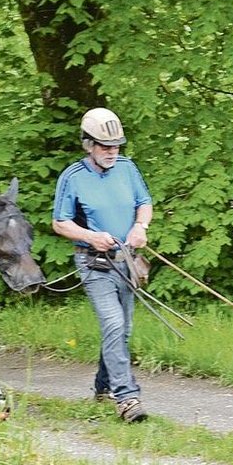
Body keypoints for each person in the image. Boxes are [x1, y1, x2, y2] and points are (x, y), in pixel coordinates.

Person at [53, 107, 153, 423]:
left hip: (127, 262)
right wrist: (91, 236)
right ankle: (127, 398)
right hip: (94, 264)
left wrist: (141, 228)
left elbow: (144, 203)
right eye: (105, 146)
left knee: (122, 329)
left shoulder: (127, 168)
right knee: (113, 324)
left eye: (116, 145)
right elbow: (60, 223)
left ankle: (103, 385)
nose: (112, 151)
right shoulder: (72, 177)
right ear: (88, 145)